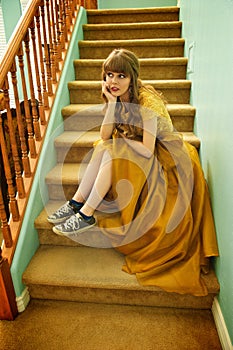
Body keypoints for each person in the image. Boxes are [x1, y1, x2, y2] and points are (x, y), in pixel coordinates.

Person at [47, 48, 219, 296]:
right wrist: (112, 104)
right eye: (108, 75)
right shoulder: (115, 95)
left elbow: (148, 150)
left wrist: (120, 142)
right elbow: (105, 135)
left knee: (112, 149)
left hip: (164, 154)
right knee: (104, 146)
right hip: (136, 145)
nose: (113, 82)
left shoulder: (147, 103)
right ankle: (77, 204)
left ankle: (86, 213)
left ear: (132, 78)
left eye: (120, 76)